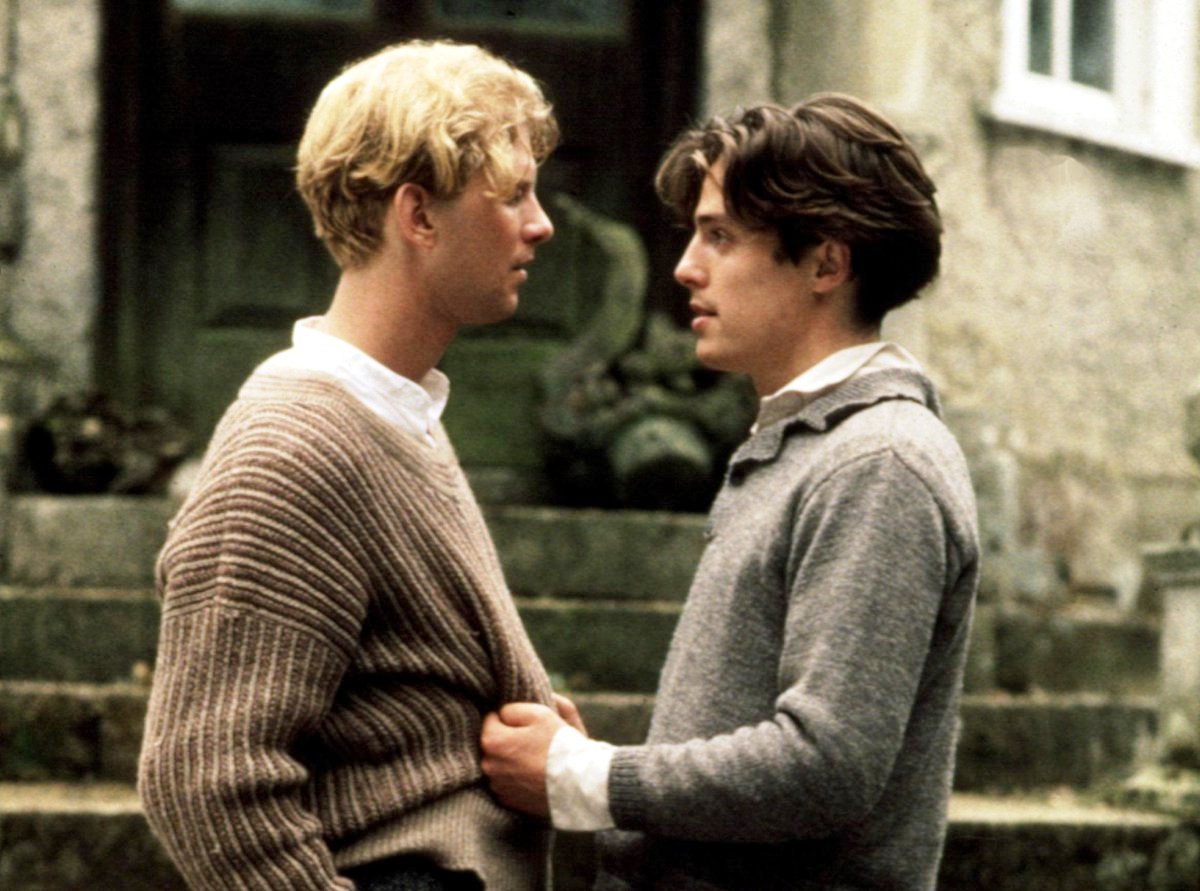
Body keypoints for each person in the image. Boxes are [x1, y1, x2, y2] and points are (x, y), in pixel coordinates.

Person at [480, 94, 981, 890]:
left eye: (720, 236)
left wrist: (587, 775)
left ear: (826, 264)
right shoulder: (803, 443)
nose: (686, 266)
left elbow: (827, 763)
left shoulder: (878, 461)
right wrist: (587, 763)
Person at [139, 40, 572, 891]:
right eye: (514, 193)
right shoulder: (293, 446)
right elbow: (202, 774)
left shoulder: (396, 412)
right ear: (418, 216)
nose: (541, 223)